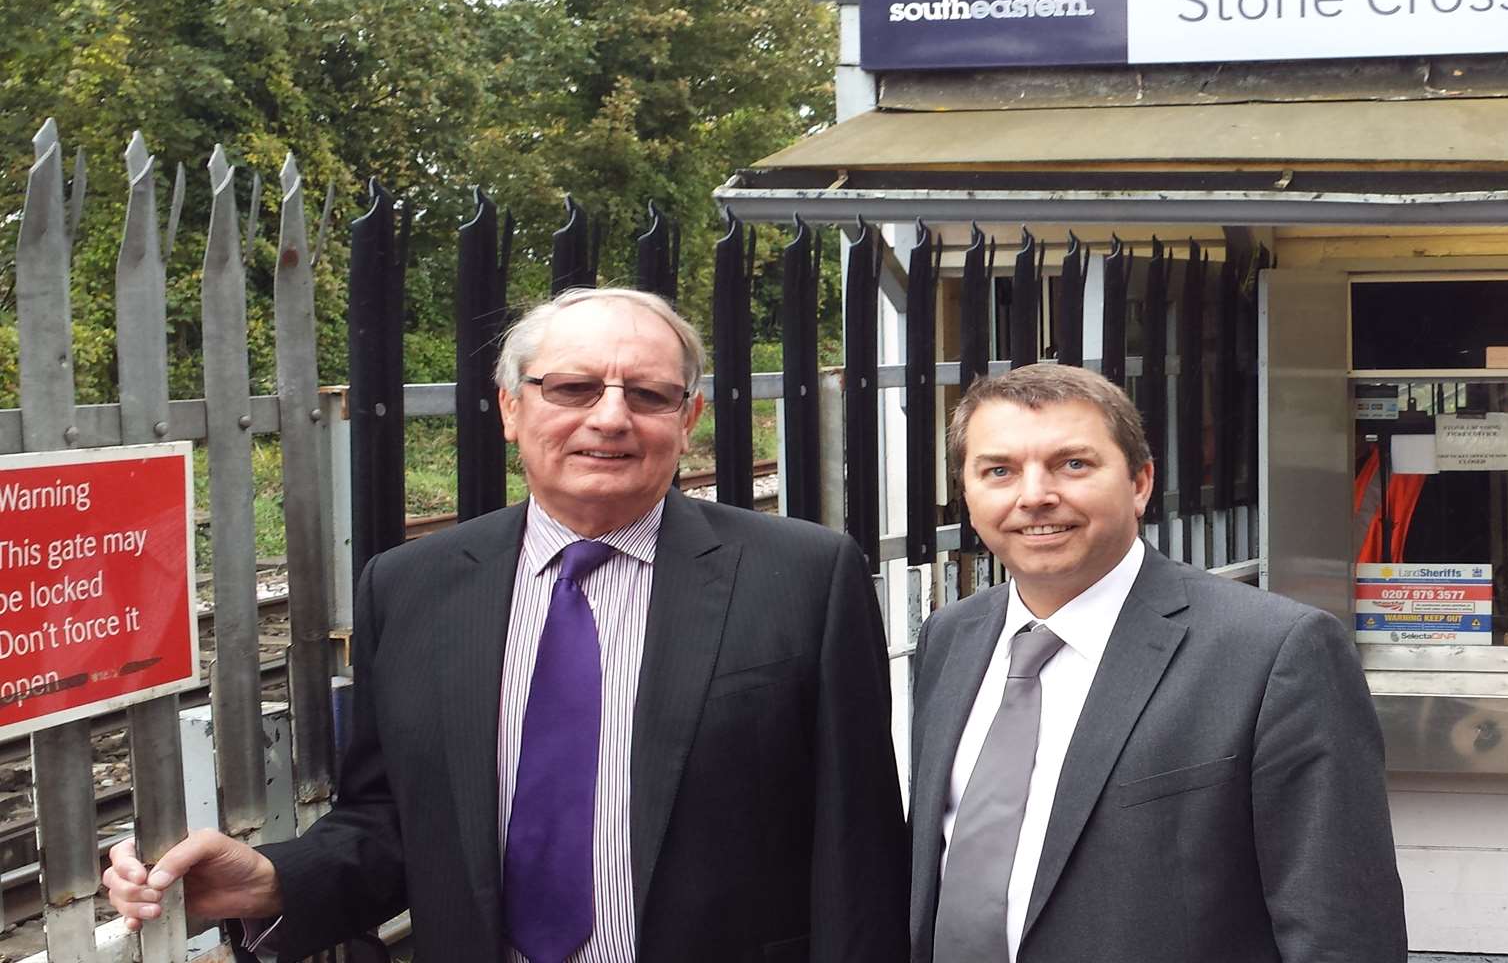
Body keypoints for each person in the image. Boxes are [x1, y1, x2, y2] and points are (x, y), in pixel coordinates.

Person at [103, 287, 908, 963]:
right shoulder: (412, 587)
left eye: (650, 394)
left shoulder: (803, 577)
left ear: (688, 417)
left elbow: (859, 849)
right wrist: (272, 881)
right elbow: (393, 821)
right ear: (510, 409)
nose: (612, 418)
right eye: (574, 389)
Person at [910, 363, 1404, 963]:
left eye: (1074, 464)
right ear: (967, 493)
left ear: (1141, 483)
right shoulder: (949, 639)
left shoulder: (1276, 651)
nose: (1034, 495)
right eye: (999, 471)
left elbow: (1340, 930)